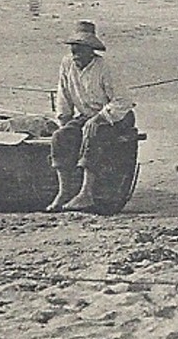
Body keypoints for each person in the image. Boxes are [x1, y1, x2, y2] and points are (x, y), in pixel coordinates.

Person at [48, 21, 135, 212]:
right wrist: (64, 119)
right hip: (87, 115)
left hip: (117, 116)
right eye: (73, 49)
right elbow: (63, 94)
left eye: (80, 50)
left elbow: (123, 100)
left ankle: (86, 193)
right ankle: (65, 191)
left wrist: (100, 118)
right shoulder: (67, 64)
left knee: (93, 134)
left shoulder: (105, 67)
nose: (75, 55)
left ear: (91, 50)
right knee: (60, 137)